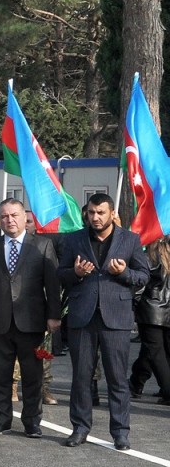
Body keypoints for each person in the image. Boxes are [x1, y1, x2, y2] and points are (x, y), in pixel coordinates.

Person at [56, 193, 150, 450]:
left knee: (117, 378)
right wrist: (75, 273)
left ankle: (120, 432)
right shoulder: (75, 239)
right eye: (92, 213)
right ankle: (80, 428)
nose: (95, 217)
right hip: (82, 316)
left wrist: (123, 273)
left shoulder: (130, 240)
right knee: (81, 377)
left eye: (101, 213)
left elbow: (143, 276)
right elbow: (61, 274)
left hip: (116, 317)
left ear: (111, 214)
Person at [0, 198, 61, 437]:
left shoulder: (42, 245)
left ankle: (32, 422)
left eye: (14, 215)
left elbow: (52, 285)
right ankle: (1, 420)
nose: (9, 220)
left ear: (25, 218)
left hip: (31, 321)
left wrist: (53, 316)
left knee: (32, 376)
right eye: (4, 216)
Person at [132, 237, 170, 404]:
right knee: (158, 351)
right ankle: (136, 382)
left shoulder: (150, 257)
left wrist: (133, 303)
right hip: (165, 310)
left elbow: (140, 283)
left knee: (155, 352)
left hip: (151, 311)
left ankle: (168, 390)